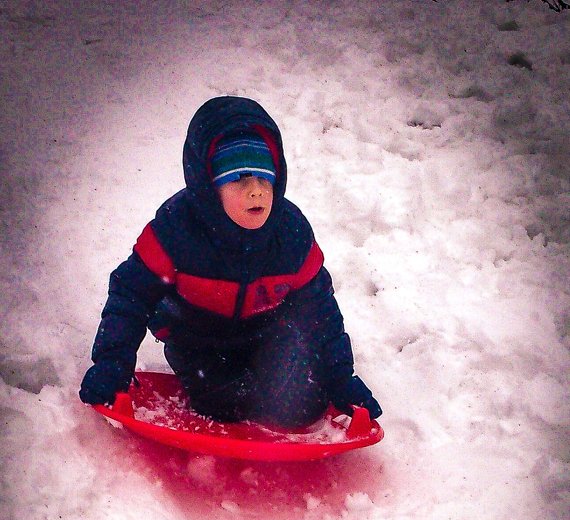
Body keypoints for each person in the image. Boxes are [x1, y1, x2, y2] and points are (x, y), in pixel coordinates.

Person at [79, 96, 381, 427]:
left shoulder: (290, 234)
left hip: (265, 333)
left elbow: (319, 310)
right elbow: (130, 294)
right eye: (240, 178)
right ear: (210, 186)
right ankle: (223, 387)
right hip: (198, 339)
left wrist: (340, 380)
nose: (256, 192)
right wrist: (112, 364)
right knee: (225, 404)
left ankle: (274, 385)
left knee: (303, 405)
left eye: (265, 179)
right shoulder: (175, 230)